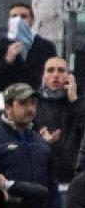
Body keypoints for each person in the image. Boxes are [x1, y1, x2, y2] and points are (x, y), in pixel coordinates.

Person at [0, 2, 57, 94]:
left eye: (23, 17)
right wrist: (7, 60)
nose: (18, 20)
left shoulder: (46, 48)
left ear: (32, 20)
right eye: (14, 16)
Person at [36, 57, 85, 185]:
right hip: (45, 178)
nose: (56, 75)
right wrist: (43, 141)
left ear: (69, 77)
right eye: (50, 70)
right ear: (43, 76)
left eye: (61, 70)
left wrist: (75, 100)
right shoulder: (35, 104)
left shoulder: (79, 102)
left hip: (76, 179)